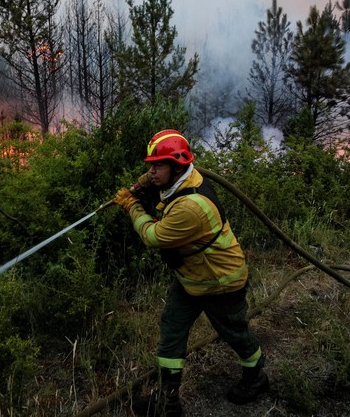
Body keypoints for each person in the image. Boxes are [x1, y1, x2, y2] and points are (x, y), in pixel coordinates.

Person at [113, 129, 268, 416]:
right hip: (190, 277)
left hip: (220, 280)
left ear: (177, 166)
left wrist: (132, 205)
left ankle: (256, 376)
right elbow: (155, 181)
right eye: (151, 165)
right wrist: (142, 182)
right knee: (172, 329)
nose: (151, 171)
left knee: (234, 333)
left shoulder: (191, 207)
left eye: (157, 165)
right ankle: (167, 402)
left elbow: (153, 236)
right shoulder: (181, 178)